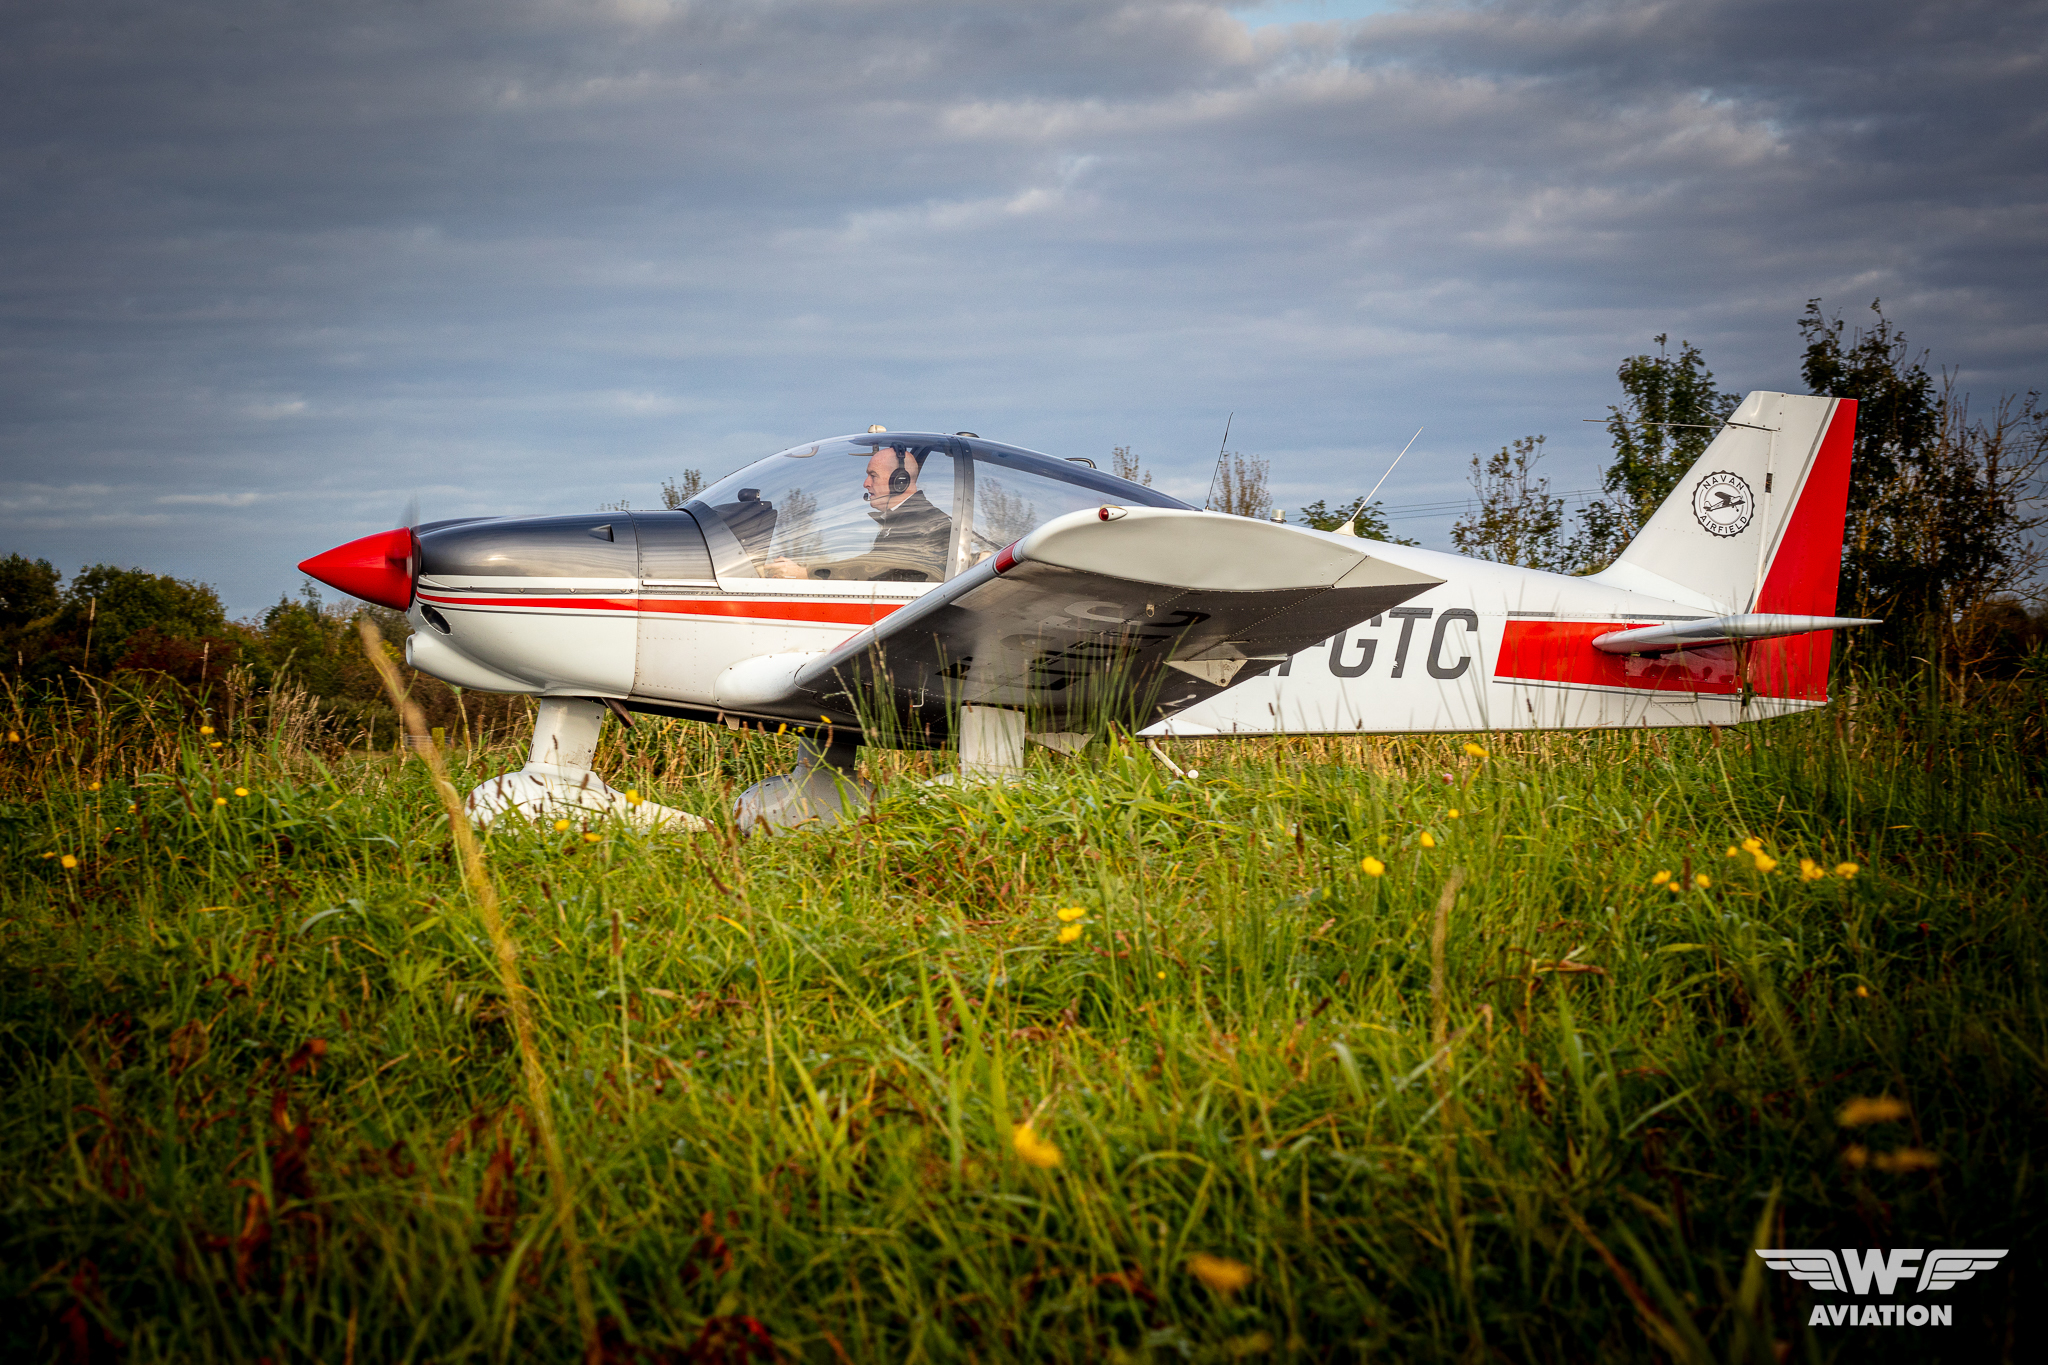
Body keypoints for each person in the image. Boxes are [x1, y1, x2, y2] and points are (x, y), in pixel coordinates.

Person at [766, 444, 953, 582]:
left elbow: (872, 567)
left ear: (900, 482)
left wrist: (807, 573)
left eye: (873, 475)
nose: (866, 483)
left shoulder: (923, 524)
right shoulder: (902, 520)